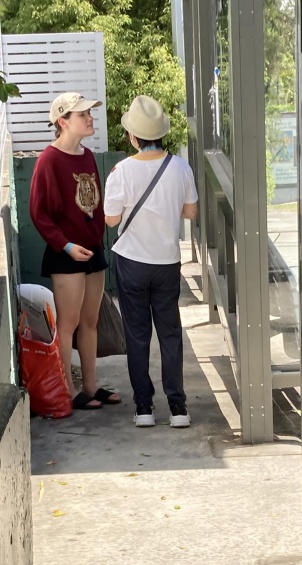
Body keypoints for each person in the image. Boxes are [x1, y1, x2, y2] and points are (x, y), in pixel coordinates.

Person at [104, 95, 199, 428]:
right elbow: (190, 211)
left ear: (133, 136)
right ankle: (178, 408)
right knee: (170, 334)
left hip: (131, 261)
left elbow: (111, 220)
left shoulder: (121, 171)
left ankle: (144, 407)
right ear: (162, 133)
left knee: (137, 334)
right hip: (167, 262)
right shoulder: (180, 167)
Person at [28, 92, 121, 411]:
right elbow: (38, 212)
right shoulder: (48, 160)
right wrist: (66, 245)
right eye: (82, 114)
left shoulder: (88, 156)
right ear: (63, 121)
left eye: (89, 113)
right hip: (65, 253)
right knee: (68, 324)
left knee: (90, 321)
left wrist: (96, 240)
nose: (90, 118)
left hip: (93, 250)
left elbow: (93, 203)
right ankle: (68, 390)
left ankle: (91, 387)